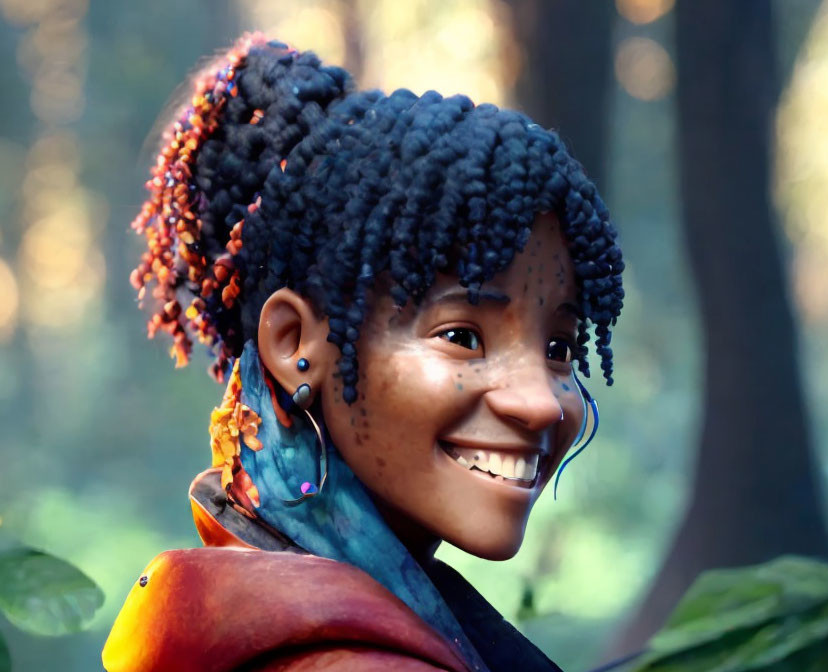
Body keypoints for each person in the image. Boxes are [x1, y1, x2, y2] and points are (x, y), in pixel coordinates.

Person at [102, 33, 624, 672]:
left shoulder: (242, 594)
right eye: (462, 337)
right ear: (295, 344)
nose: (541, 402)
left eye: (558, 347)